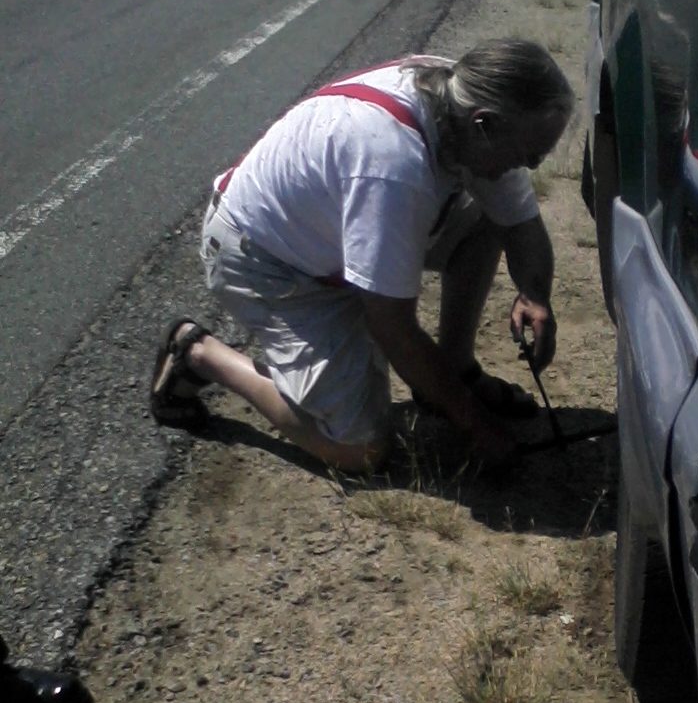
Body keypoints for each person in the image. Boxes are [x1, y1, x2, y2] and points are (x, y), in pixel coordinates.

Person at [149, 39, 575, 472]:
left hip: (327, 233)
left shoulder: (465, 95)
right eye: (528, 155)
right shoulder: (394, 166)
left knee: (487, 218)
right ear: (485, 125)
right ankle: (197, 352)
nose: (532, 166)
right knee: (361, 448)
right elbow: (392, 327)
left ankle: (456, 367)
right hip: (262, 259)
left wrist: (535, 294)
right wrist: (475, 424)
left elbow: (520, 224)